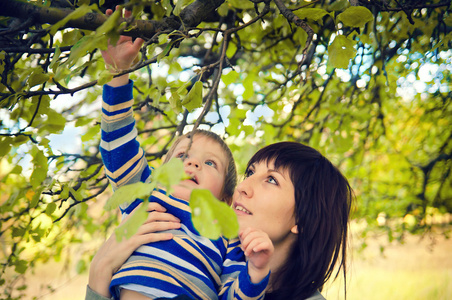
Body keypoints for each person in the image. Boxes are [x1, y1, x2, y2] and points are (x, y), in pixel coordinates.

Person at [92, 7, 274, 300]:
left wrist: (256, 273)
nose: (192, 162)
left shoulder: (226, 237)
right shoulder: (146, 197)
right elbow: (118, 144)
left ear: (225, 200)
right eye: (181, 157)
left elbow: (232, 295)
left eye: (210, 163)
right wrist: (117, 74)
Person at [88, 141, 354, 300]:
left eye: (271, 180)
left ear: (303, 219)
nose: (243, 187)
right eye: (250, 172)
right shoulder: (207, 265)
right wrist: (100, 273)